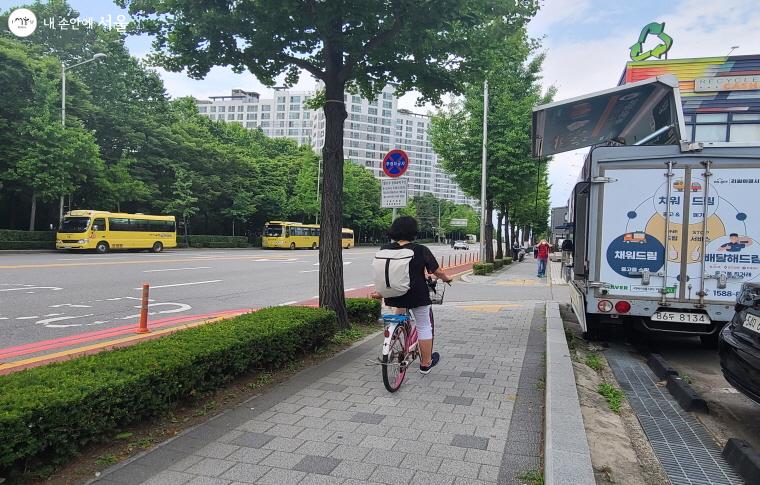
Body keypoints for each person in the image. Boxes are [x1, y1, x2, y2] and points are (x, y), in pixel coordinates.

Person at [371, 216, 453, 374]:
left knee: (399, 309)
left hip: (392, 294)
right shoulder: (420, 249)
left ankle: (394, 337)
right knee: (424, 326)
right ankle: (426, 363)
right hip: (416, 294)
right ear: (413, 232)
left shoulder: (384, 249)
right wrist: (447, 278)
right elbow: (436, 271)